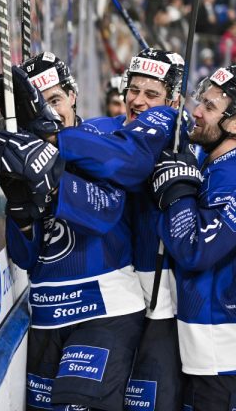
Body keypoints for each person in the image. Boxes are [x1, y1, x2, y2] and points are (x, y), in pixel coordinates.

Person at [0, 51, 181, 410]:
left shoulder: (104, 140)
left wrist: (50, 164)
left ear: (73, 95)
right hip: (46, 313)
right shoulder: (28, 149)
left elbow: (105, 209)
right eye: (134, 90)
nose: (49, 114)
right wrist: (21, 212)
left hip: (105, 304)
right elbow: (24, 256)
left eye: (53, 101)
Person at [149, 65, 236, 410]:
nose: (196, 110)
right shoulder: (214, 165)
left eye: (209, 107)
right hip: (208, 350)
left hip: (228, 354)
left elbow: (195, 249)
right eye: (202, 101)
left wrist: (179, 190)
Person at [82, 48, 187, 411]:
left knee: (148, 400)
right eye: (134, 90)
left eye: (152, 94)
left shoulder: (179, 135)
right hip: (108, 295)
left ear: (175, 100)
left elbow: (128, 161)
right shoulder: (103, 129)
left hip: (161, 302)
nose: (138, 101)